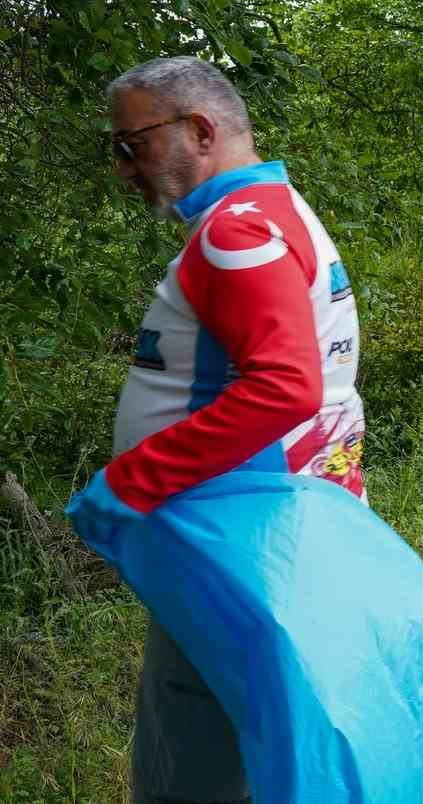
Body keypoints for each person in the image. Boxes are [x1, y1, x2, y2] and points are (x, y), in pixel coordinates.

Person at [83, 56, 366, 803]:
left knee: (194, 757)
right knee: (253, 735)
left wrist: (125, 484)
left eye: (131, 144)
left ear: (199, 129)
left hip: (237, 536)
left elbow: (284, 387)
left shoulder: (236, 235)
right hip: (274, 525)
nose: (125, 168)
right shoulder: (277, 208)